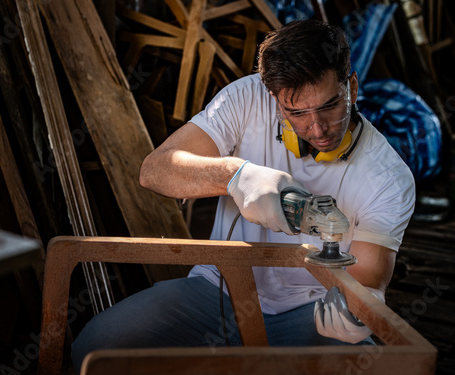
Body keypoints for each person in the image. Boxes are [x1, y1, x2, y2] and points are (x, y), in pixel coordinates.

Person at [71, 19, 415, 372]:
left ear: (352, 87)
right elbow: (155, 170)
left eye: (329, 106)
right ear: (275, 102)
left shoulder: (388, 177)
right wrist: (236, 176)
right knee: (97, 347)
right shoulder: (246, 98)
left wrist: (356, 310)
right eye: (297, 113)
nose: (317, 128)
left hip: (310, 310)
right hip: (217, 289)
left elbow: (368, 277)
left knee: (366, 367)